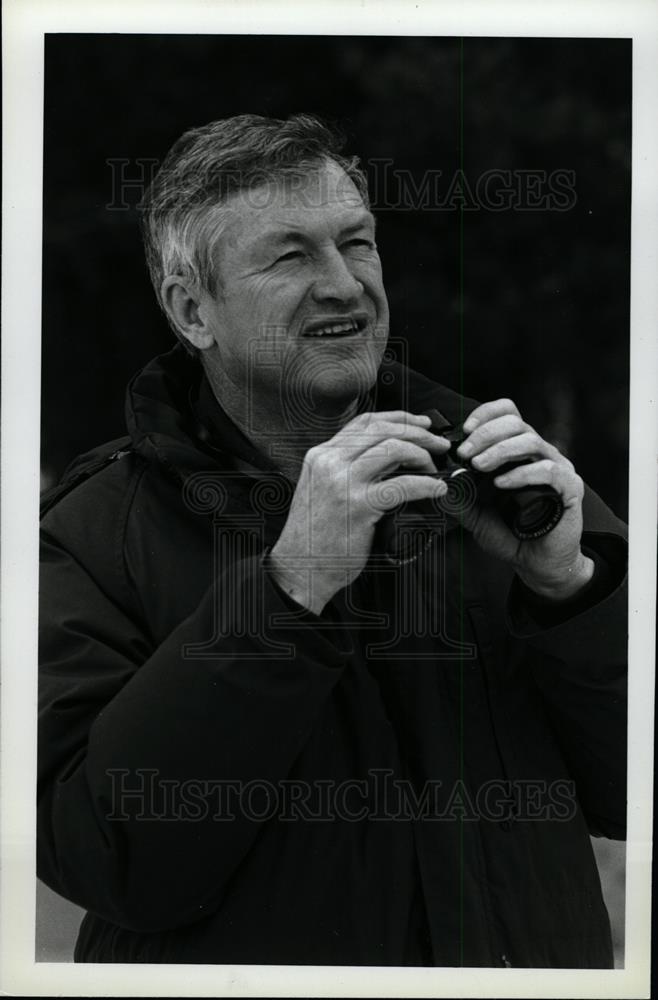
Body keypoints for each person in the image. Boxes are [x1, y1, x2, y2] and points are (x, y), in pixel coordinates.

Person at [38, 113, 627, 967]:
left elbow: (633, 798)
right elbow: (107, 856)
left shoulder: (508, 483)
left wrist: (572, 588)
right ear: (192, 311)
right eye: (290, 256)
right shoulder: (91, 535)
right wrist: (288, 587)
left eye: (356, 243)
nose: (345, 285)